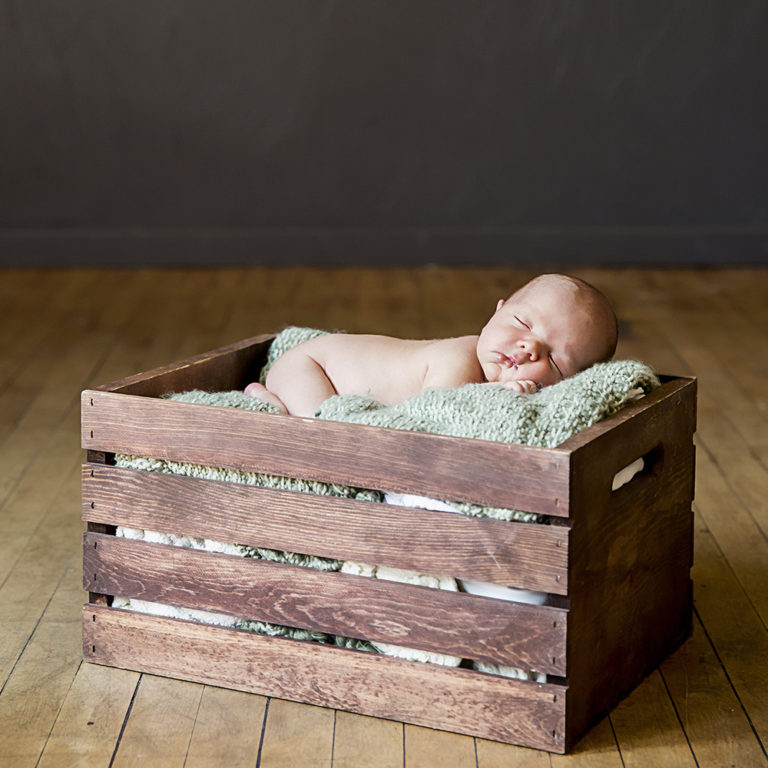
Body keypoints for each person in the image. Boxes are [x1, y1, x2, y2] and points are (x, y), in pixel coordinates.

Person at [244, 273, 618, 418]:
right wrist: (496, 392)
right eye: (521, 323)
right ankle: (266, 405)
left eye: (553, 360)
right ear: (497, 312)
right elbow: (435, 414)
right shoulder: (458, 359)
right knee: (320, 434)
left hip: (324, 370)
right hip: (312, 366)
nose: (528, 348)